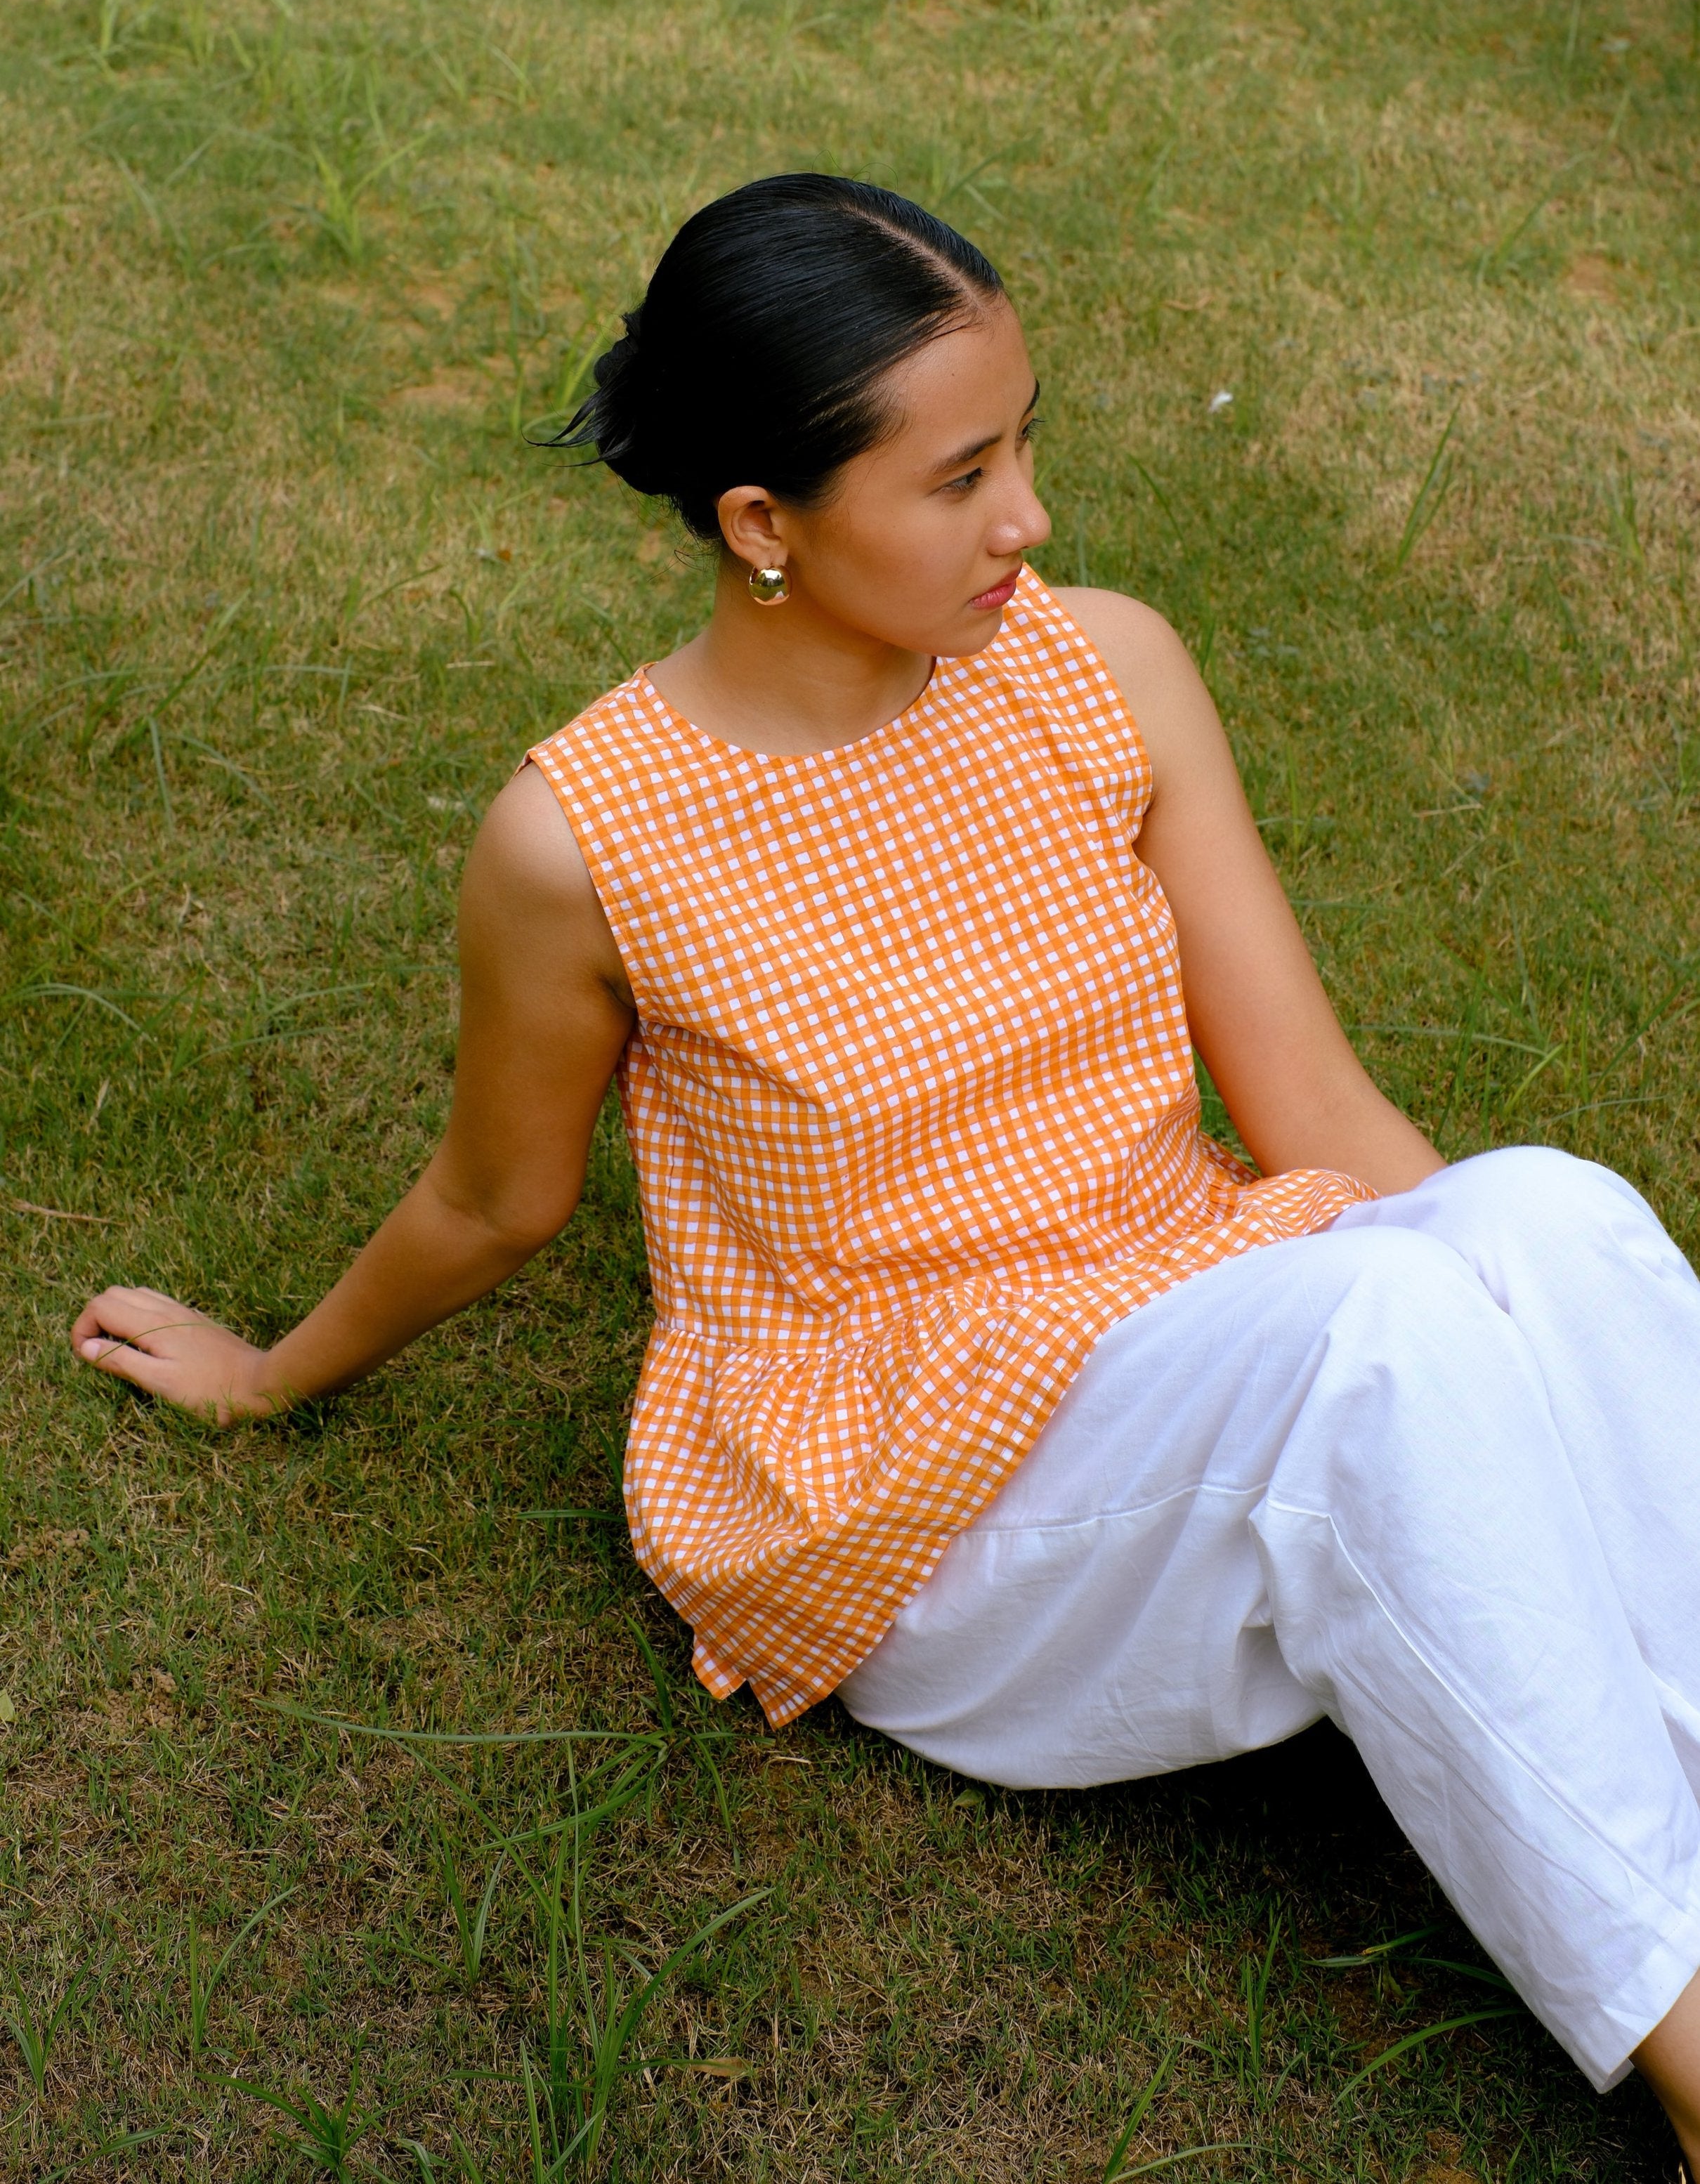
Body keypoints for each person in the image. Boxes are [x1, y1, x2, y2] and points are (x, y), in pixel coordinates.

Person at [69, 174, 1700, 2160]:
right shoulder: (579, 842)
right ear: (764, 524)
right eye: (957, 478)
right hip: (896, 1500)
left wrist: (1511, 1333)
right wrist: (267, 1374)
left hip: (1181, 1309)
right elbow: (498, 1203)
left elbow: (1322, 1113)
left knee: (1545, 1213)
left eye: (1023, 445)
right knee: (1383, 1342)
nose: (1024, 517)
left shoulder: (1100, 662)